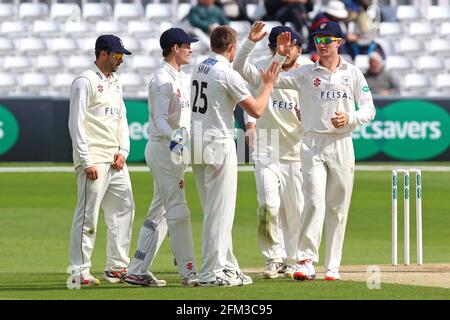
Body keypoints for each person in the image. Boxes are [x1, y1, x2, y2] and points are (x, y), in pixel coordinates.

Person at [270, 21, 375, 281]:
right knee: (314, 201)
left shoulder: (352, 73)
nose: (322, 44)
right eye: (318, 39)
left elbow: (368, 109)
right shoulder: (305, 73)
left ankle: (333, 266)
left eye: (328, 40)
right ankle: (306, 260)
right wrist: (279, 55)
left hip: (341, 142)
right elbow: (269, 78)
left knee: (337, 207)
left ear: (339, 42)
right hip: (312, 142)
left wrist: (349, 118)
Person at [190, 25, 281, 286]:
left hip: (197, 139)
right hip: (217, 142)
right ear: (231, 47)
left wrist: (247, 45)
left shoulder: (199, 65)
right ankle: (210, 273)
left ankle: (227, 267)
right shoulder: (226, 73)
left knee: (213, 210)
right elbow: (257, 109)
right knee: (220, 213)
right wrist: (268, 85)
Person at [233, 23, 313, 279]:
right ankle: (272, 259)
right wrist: (249, 42)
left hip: (296, 151)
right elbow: (238, 69)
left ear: (298, 49)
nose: (284, 51)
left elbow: (317, 116)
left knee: (295, 209)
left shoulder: (308, 77)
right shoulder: (264, 71)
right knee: (267, 206)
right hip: (266, 150)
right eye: (279, 46)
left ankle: (292, 259)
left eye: (290, 47)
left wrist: (306, 118)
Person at [125, 28, 200, 287]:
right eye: (188, 45)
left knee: (159, 211)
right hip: (162, 149)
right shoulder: (160, 79)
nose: (191, 49)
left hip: (175, 151)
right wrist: (175, 138)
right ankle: (189, 272)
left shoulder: (180, 76)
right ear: (175, 48)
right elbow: (158, 120)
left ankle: (137, 269)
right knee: (178, 209)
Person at [67, 34, 134, 286]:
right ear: (103, 54)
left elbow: (121, 119)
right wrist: (86, 160)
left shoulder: (116, 82)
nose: (121, 60)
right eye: (117, 55)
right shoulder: (84, 81)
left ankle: (116, 266)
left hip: (114, 158)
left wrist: (123, 151)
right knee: (88, 215)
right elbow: (76, 124)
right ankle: (79, 271)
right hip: (93, 158)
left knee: (124, 209)